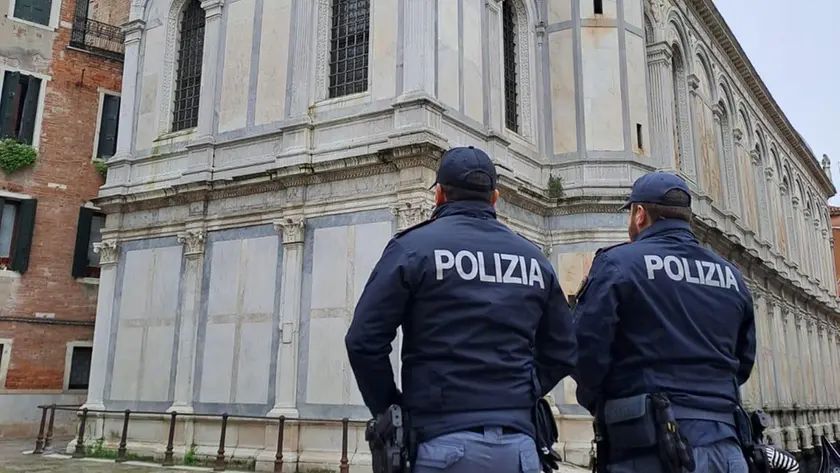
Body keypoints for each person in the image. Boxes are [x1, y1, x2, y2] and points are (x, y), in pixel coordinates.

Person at [345, 146, 578, 473]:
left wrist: (391, 409)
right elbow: (564, 349)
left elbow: (363, 340)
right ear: (494, 198)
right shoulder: (533, 259)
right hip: (520, 449)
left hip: (439, 442)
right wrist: (519, 393)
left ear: (439, 194)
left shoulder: (413, 248)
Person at [572, 171, 756, 473]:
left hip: (649, 450)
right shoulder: (731, 276)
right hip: (726, 445)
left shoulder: (618, 264)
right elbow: (744, 360)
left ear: (640, 214)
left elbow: (584, 354)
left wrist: (603, 402)